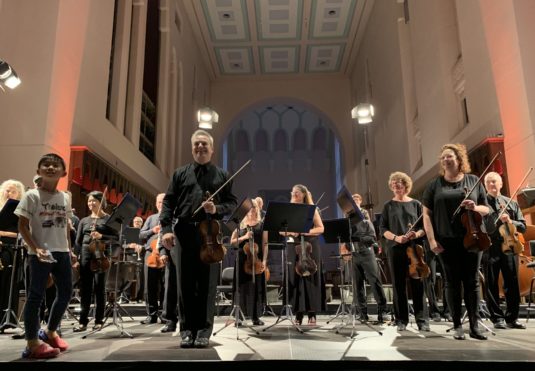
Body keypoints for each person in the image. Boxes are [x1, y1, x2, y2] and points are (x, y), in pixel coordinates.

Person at [160, 129, 237, 348]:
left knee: (207, 284)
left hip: (210, 235)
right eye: (197, 144)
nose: (200, 147)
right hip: (184, 232)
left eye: (204, 144)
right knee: (184, 284)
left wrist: (217, 208)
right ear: (192, 148)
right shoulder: (179, 174)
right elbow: (168, 203)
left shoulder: (222, 176)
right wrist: (166, 228)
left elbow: (232, 204)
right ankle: (186, 330)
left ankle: (204, 330)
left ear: (212, 149)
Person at [422, 143, 490, 340]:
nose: (445, 160)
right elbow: (426, 215)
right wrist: (432, 240)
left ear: (459, 159)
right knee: (451, 283)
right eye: (442, 157)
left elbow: (487, 209)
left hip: (473, 238)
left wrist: (474, 207)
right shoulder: (435, 185)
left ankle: (475, 326)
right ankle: (457, 324)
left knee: (472, 282)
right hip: (446, 240)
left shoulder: (473, 180)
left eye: (449, 156)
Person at [14, 153, 76, 358]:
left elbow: (66, 225)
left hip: (62, 252)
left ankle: (50, 332)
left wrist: (70, 249)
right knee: (36, 296)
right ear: (38, 171)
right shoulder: (31, 195)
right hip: (40, 253)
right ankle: (32, 342)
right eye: (46, 165)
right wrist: (36, 248)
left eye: (55, 165)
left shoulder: (64, 197)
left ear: (63, 172)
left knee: (66, 293)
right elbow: (22, 226)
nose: (50, 168)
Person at [380, 172, 429, 332]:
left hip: (415, 248)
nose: (396, 184)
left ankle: (422, 320)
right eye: (393, 182)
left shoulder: (416, 204)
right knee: (399, 285)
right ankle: (401, 320)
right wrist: (396, 238)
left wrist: (417, 234)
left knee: (417, 283)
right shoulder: (388, 206)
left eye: (399, 182)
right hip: (396, 248)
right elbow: (383, 229)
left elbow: (423, 227)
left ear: (406, 185)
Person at [482, 171, 526, 330]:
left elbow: (523, 226)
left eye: (495, 182)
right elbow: (483, 228)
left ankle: (512, 318)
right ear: (485, 185)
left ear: (501, 184)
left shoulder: (511, 203)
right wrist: (494, 219)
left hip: (510, 245)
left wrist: (510, 220)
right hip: (490, 246)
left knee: (512, 282)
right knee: (491, 283)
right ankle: (496, 318)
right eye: (489, 182)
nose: (492, 185)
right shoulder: (483, 206)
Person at [73, 191, 117, 332]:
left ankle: (99, 320)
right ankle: (83, 321)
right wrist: (76, 258)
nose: (91, 203)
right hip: (86, 254)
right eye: (89, 201)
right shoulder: (84, 221)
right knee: (85, 289)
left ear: (101, 202)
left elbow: (116, 239)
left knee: (100, 288)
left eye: (94, 201)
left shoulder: (108, 219)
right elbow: (78, 242)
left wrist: (101, 235)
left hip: (101, 254)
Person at [283, 184, 325, 325]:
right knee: (295, 277)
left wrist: (305, 231)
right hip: (293, 245)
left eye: (297, 192)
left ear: (304, 195)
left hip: (310, 245)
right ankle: (298, 313)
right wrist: (292, 232)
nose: (294, 194)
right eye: (292, 192)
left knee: (310, 277)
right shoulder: (288, 210)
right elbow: (281, 231)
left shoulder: (311, 209)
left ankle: (312, 313)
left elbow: (321, 228)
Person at [345, 193, 387, 323]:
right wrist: (348, 241)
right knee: (357, 285)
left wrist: (358, 238)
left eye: (357, 200)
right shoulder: (349, 222)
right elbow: (347, 241)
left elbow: (372, 238)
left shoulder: (366, 220)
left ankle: (383, 312)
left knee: (374, 282)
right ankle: (362, 313)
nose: (355, 202)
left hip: (367, 253)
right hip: (355, 254)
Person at [230, 197, 269, 325]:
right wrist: (244, 237)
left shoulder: (262, 224)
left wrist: (264, 261)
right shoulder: (239, 223)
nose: (252, 210)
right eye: (249, 208)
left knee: (255, 287)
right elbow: (232, 242)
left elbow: (265, 244)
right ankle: (239, 317)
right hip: (242, 260)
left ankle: (255, 317)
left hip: (257, 261)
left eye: (254, 208)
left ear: (257, 209)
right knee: (241, 288)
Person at [0, 179, 25, 321]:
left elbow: (21, 233)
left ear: (18, 194)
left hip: (11, 250)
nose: (8, 193)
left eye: (13, 191)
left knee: (9, 282)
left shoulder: (20, 211)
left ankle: (6, 319)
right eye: (7, 190)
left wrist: (2, 233)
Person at [139, 193, 165, 324]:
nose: (161, 204)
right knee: (149, 286)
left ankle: (164, 314)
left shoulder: (171, 217)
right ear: (156, 204)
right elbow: (141, 234)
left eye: (164, 201)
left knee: (165, 286)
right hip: (150, 254)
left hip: (165, 254)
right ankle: (152, 315)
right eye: (159, 202)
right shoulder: (151, 218)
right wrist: (152, 231)